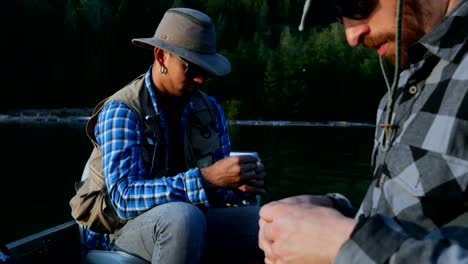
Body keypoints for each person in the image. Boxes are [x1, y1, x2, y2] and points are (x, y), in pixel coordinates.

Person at [258, 0, 468, 263]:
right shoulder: (402, 84)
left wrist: (345, 244)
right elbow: (416, 225)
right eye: (339, 16)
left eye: (356, 4)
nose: (351, 36)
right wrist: (334, 216)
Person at [75, 7, 266, 264]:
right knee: (184, 218)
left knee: (265, 222)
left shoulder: (211, 110)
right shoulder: (123, 110)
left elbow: (215, 194)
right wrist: (207, 177)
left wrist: (235, 186)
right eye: (191, 68)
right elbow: (123, 198)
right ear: (161, 56)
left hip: (188, 222)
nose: (200, 78)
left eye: (206, 69)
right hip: (117, 231)